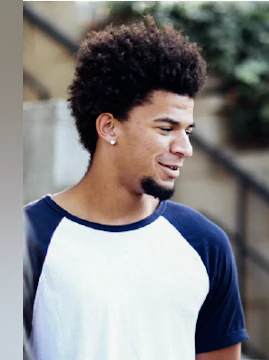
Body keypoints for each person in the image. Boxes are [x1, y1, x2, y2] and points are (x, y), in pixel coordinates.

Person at [23, 16, 248, 360]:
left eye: (187, 131)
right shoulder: (27, 239)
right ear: (109, 127)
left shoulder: (205, 244)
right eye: (166, 128)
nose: (184, 147)